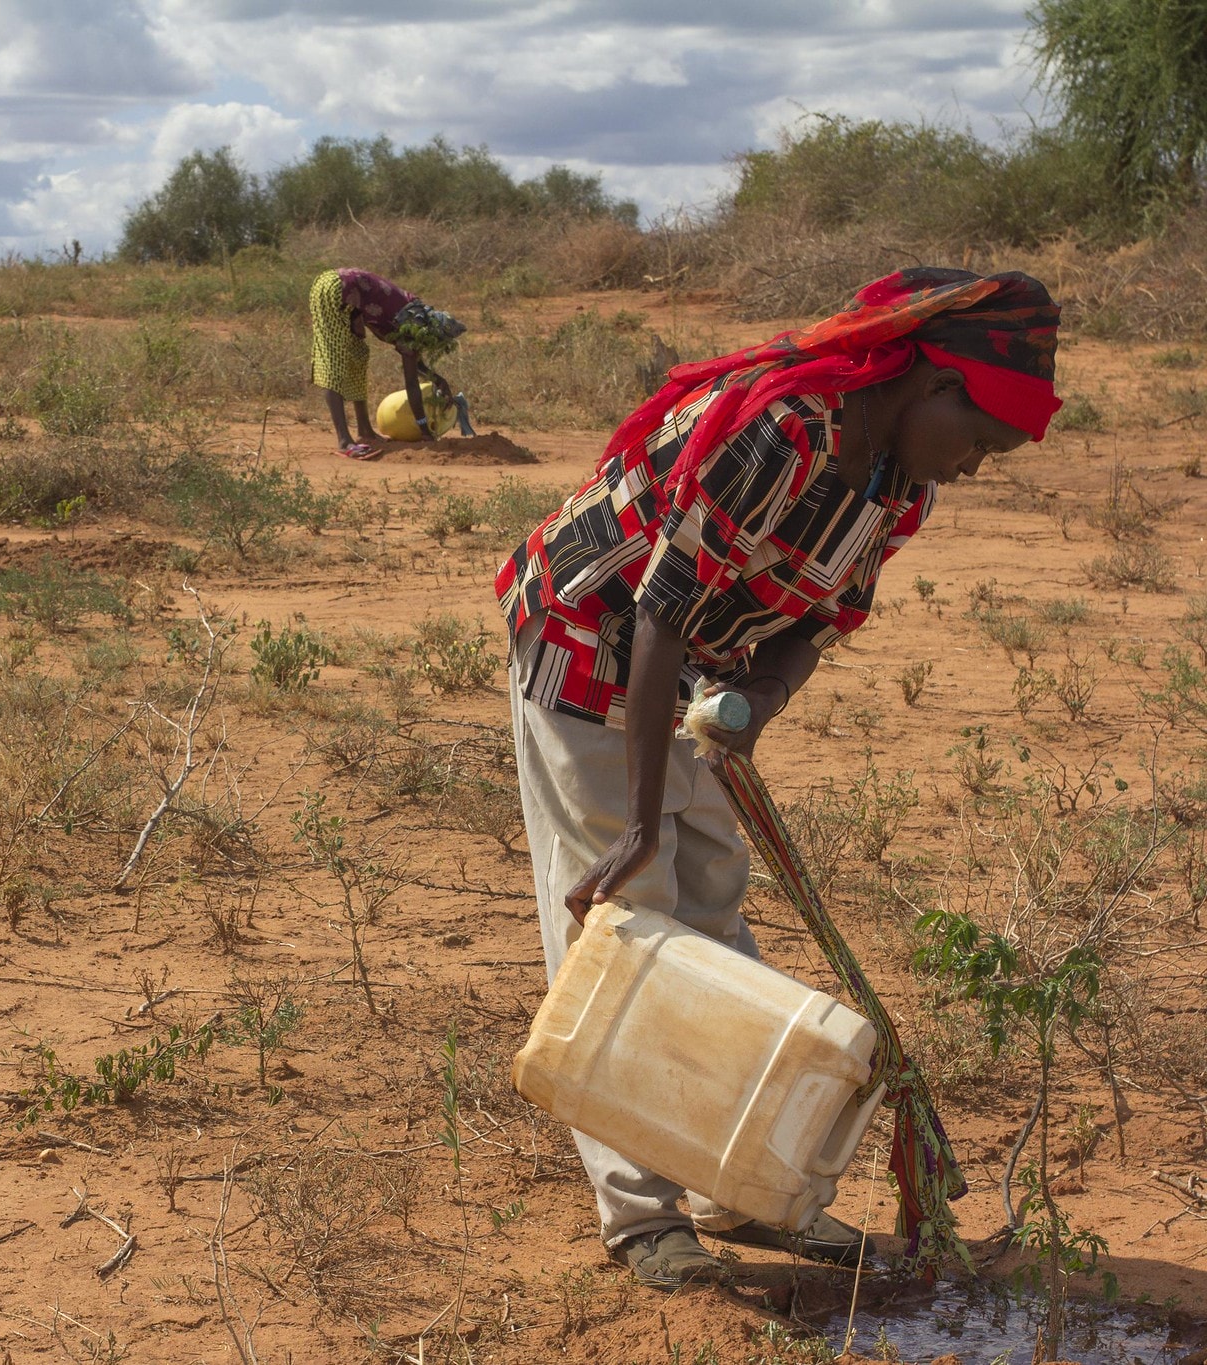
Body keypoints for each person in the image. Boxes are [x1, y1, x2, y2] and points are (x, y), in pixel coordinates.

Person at [495, 268, 1060, 1288]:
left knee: (708, 905)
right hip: (586, 647)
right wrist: (635, 823)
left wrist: (755, 704)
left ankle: (730, 1181)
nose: (972, 468)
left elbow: (817, 622)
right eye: (976, 439)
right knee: (624, 922)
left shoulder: (901, 483)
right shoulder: (778, 434)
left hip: (685, 675)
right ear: (930, 385)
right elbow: (660, 610)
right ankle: (639, 1216)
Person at [307, 267, 464, 458]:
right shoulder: (414, 326)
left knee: (357, 357)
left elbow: (416, 363)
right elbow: (411, 382)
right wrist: (424, 430)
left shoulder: (418, 317)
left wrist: (439, 380)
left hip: (345, 289)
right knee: (334, 360)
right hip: (338, 288)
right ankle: (344, 441)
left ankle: (365, 430)